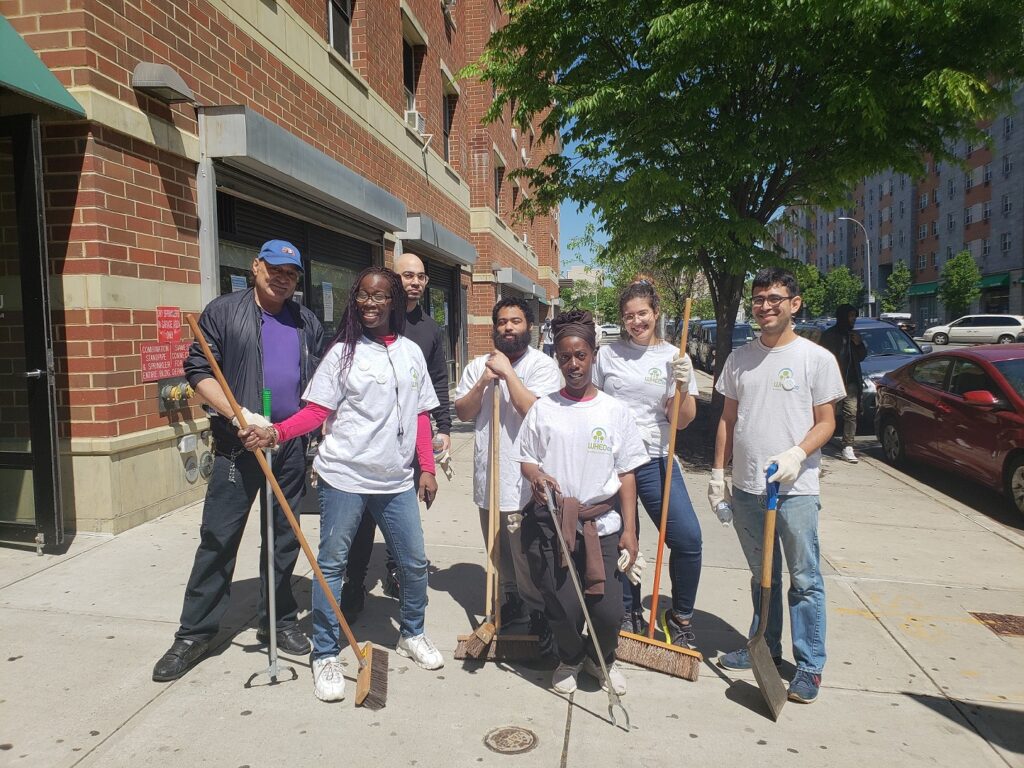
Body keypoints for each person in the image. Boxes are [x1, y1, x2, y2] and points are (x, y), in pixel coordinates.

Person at [241, 267, 443, 702]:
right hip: (345, 476)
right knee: (331, 565)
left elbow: (421, 414)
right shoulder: (342, 354)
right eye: (363, 296)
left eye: (379, 296)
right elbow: (316, 412)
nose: (370, 303)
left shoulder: (411, 352)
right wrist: (277, 433)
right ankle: (326, 653)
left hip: (395, 480)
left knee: (412, 562)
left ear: (393, 301)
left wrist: (426, 467)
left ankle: (413, 632)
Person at [152, 240, 325, 682]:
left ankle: (278, 620)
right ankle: (195, 633)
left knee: (284, 538)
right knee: (219, 538)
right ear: (256, 267)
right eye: (275, 268)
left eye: (291, 272)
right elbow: (198, 371)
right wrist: (238, 414)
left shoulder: (306, 321)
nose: (282, 277)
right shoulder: (224, 311)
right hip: (239, 446)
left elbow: (318, 383)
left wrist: (304, 432)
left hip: (286, 446)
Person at [709, 267, 845, 705]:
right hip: (748, 487)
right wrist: (717, 474)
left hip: (796, 489)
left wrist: (796, 454)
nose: (765, 307)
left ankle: (810, 666)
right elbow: (727, 419)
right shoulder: (740, 358)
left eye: (774, 299)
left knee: (804, 579)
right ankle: (763, 646)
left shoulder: (815, 359)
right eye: (759, 299)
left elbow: (827, 423)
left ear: (794, 304)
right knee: (760, 576)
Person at [514, 310, 648, 695]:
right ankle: (570, 657)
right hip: (552, 524)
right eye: (564, 357)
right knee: (562, 605)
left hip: (600, 525)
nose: (573, 365)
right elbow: (527, 459)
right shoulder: (544, 408)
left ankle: (601, 658)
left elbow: (626, 474)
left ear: (593, 355)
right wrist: (537, 477)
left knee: (608, 611)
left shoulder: (613, 411)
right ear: (557, 358)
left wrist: (631, 531)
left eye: (580, 355)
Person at [341, 251, 452, 615]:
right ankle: (353, 585)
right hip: (367, 443)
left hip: (407, 440)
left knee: (402, 515)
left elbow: (436, 384)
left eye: (420, 276)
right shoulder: (368, 323)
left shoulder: (429, 330)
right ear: (394, 281)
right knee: (361, 524)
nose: (415, 282)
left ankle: (398, 574)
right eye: (407, 275)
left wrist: (443, 430)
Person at [593, 281, 702, 647]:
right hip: (614, 461)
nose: (636, 321)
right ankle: (628, 609)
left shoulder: (675, 355)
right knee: (626, 539)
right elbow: (592, 402)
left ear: (656, 313)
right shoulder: (608, 356)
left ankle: (680, 616)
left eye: (642, 313)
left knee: (687, 539)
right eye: (628, 316)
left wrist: (683, 385)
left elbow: (682, 419)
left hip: (656, 459)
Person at [454, 297, 561, 636]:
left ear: (528, 326)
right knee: (497, 550)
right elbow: (463, 412)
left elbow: (536, 411)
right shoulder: (477, 367)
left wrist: (508, 373)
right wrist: (485, 380)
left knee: (527, 554)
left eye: (515, 321)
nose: (508, 328)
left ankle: (539, 612)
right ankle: (512, 600)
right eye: (502, 322)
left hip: (524, 480)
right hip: (489, 477)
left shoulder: (543, 366)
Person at [819, 304, 866, 463]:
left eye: (854, 316)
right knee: (828, 414)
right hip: (832, 381)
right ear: (843, 317)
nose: (853, 319)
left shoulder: (854, 335)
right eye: (850, 316)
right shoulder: (830, 335)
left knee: (851, 414)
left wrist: (859, 343)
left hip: (851, 382)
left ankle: (848, 445)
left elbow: (861, 356)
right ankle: (819, 446)